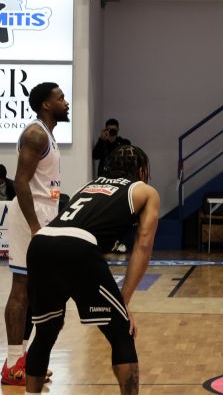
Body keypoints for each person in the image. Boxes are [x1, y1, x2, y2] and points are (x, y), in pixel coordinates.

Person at [24, 145, 159, 395]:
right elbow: (142, 247)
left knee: (45, 332)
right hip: (77, 246)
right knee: (121, 332)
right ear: (141, 171)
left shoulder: (88, 186)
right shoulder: (145, 190)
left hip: (41, 244)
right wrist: (123, 303)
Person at [2, 82, 68, 386]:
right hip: (30, 216)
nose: (66, 102)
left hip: (45, 212)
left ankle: (24, 359)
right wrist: (34, 226)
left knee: (35, 290)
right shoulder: (35, 134)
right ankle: (11, 363)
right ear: (46, 104)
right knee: (21, 287)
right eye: (60, 98)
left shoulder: (48, 135)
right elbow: (20, 181)